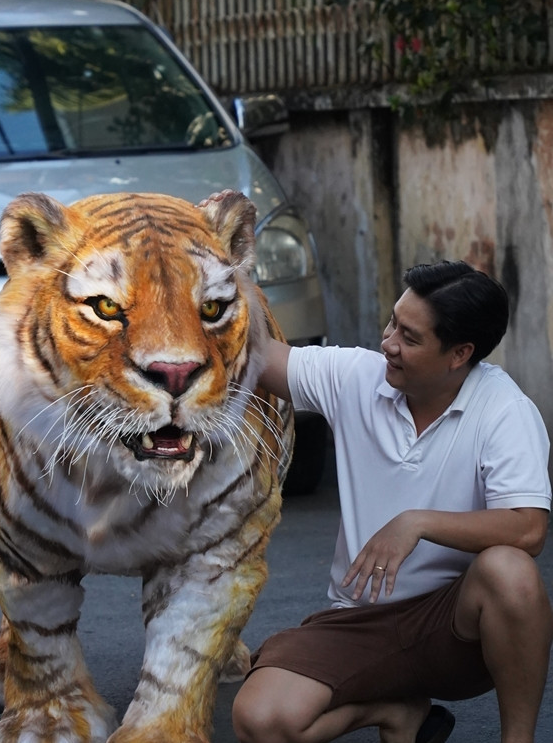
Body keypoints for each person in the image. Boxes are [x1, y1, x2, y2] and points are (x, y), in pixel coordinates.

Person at [232, 261, 553, 743]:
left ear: (458, 354)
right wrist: (227, 280)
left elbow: (528, 528)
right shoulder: (360, 377)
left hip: (453, 629)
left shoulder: (505, 411)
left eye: (409, 336)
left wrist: (418, 522)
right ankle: (397, 711)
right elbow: (253, 354)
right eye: (392, 323)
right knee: (260, 719)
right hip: (356, 619)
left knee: (511, 571)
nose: (388, 343)